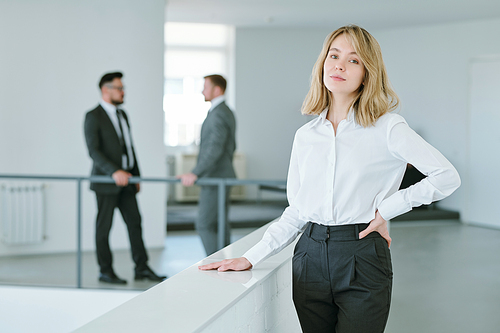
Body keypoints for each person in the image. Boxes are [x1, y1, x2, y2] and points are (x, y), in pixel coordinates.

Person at [199, 25, 460, 333]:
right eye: (334, 55)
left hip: (362, 254)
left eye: (353, 60)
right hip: (308, 256)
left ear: (367, 72)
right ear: (323, 63)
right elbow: (297, 210)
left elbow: (446, 176)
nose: (339, 64)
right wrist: (251, 257)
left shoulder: (388, 127)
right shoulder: (306, 136)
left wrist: (386, 210)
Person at [84, 72, 166, 284]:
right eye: (119, 88)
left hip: (128, 182)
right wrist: (114, 172)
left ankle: (142, 268)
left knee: (135, 223)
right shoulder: (93, 116)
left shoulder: (123, 115)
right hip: (106, 182)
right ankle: (105, 271)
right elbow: (94, 151)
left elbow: (129, 148)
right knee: (104, 228)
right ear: (105, 90)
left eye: (123, 88)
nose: (123, 92)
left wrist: (135, 175)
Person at [177, 74, 237, 256]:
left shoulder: (219, 113)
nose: (202, 91)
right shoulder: (223, 111)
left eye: (205, 87)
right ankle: (223, 262)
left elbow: (215, 148)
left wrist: (195, 173)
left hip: (215, 177)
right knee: (219, 224)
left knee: (204, 224)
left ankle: (216, 263)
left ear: (217, 89)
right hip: (219, 176)